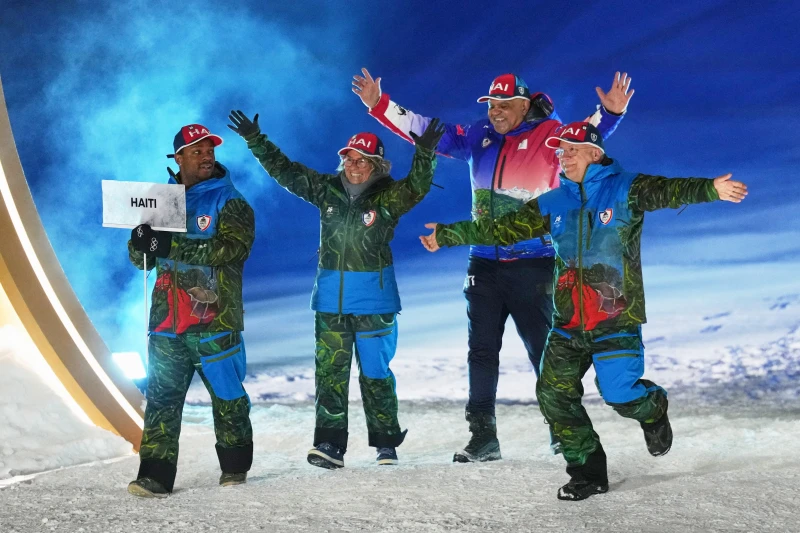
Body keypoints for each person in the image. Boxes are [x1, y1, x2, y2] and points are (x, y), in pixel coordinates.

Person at [420, 121, 747, 500]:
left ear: (595, 153)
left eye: (571, 150)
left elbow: (669, 191)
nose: (563, 156)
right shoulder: (554, 200)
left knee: (620, 394)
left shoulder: (624, 188)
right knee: (553, 395)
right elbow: (502, 229)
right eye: (560, 151)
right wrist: (449, 234)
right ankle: (588, 473)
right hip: (568, 323)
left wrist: (711, 188)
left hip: (614, 319)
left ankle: (653, 408)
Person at [353, 67, 634, 461]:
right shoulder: (477, 136)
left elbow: (585, 136)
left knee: (543, 351)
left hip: (536, 263)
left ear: (523, 104)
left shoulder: (550, 136)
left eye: (504, 105)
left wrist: (611, 113)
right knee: (481, 352)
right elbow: (425, 129)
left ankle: (563, 427)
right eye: (491, 104)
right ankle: (483, 437)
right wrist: (379, 105)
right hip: (483, 264)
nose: (495, 111)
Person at [227, 110, 445, 469]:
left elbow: (417, 187)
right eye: (349, 159)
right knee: (330, 374)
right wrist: (256, 139)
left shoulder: (389, 197)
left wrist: (425, 153)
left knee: (375, 372)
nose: (354, 166)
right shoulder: (325, 189)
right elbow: (286, 171)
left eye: (363, 160)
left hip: (375, 301)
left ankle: (385, 444)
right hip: (330, 301)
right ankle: (330, 445)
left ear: (377, 165)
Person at [126, 124, 256, 498]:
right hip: (166, 323)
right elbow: (142, 261)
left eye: (209, 150)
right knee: (162, 400)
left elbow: (233, 249)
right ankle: (154, 475)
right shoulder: (160, 202)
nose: (206, 156)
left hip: (214, 320)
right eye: (196, 151)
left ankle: (234, 466)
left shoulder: (230, 201)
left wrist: (171, 246)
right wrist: (139, 243)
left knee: (227, 396)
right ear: (178, 158)